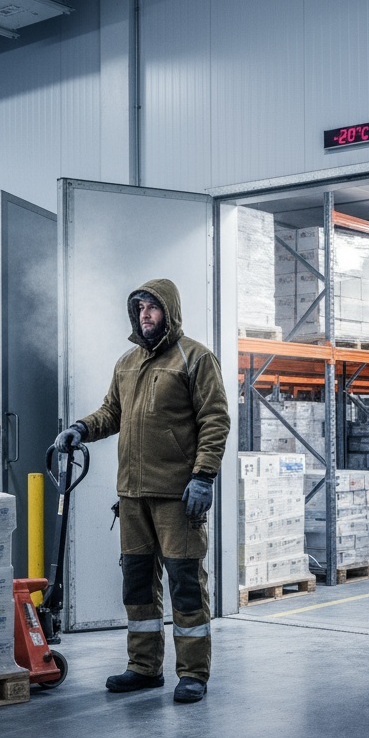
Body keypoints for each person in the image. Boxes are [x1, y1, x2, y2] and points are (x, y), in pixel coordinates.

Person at [55, 278, 230, 703]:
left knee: (185, 584)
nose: (145, 315)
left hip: (177, 496)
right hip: (132, 496)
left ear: (168, 310)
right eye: (139, 309)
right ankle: (143, 667)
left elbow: (215, 420)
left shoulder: (196, 358)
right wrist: (81, 428)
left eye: (152, 308)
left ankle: (192, 673)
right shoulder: (127, 363)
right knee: (137, 585)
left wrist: (203, 476)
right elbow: (112, 412)